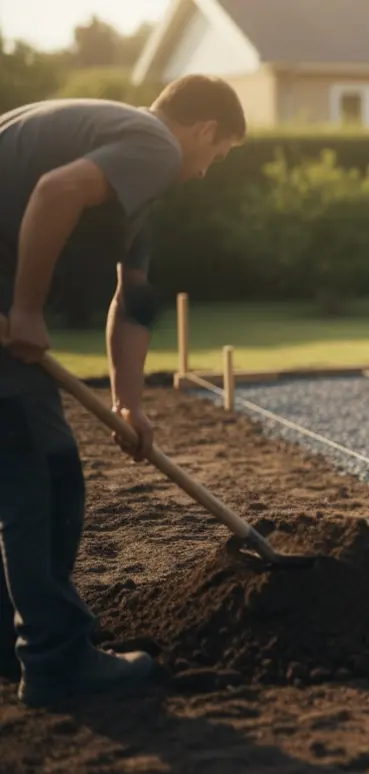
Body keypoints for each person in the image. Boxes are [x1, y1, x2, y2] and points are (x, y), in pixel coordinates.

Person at [0, 75, 246, 708]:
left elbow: (132, 300)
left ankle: (14, 641)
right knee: (44, 469)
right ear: (205, 130)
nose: (205, 172)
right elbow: (54, 190)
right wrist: (26, 309)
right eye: (218, 157)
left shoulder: (132, 175)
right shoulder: (153, 145)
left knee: (21, 463)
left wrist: (128, 403)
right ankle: (56, 659)